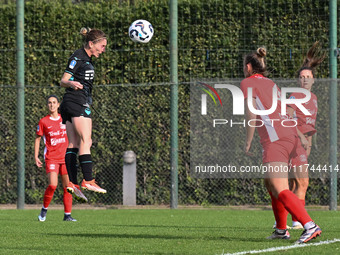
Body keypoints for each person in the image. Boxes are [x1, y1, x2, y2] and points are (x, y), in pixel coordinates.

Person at [241, 47, 321, 243]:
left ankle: (310, 226)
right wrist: (260, 56)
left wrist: (248, 141)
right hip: (289, 136)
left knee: (280, 187)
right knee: (270, 183)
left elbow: (252, 113)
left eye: (244, 66)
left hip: (275, 139)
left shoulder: (247, 82)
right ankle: (281, 229)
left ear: (248, 67)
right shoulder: (269, 82)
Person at [59, 27, 107, 202]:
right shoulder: (78, 56)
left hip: (70, 103)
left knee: (74, 143)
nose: (103, 50)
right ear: (91, 44)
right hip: (77, 101)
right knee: (87, 140)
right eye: (101, 46)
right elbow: (64, 79)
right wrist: (72, 84)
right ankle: (88, 180)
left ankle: (72, 183)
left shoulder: (85, 58)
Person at [286, 42, 325, 229]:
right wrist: (301, 136)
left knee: (295, 184)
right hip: (294, 142)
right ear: (298, 81)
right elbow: (287, 118)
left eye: (308, 77)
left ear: (313, 80)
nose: (305, 80)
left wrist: (308, 140)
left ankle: (285, 223)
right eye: (302, 77)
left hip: (303, 143)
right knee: (303, 182)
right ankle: (297, 222)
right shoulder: (295, 95)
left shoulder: (314, 98)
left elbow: (309, 124)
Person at [35, 95, 76, 222]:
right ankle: (44, 209)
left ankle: (67, 215)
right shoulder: (43, 122)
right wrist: (35, 156)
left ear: (58, 105)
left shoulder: (65, 119)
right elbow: (37, 139)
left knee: (68, 187)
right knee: (53, 185)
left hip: (65, 159)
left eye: (54, 102)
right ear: (47, 105)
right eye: (49, 103)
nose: (51, 105)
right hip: (51, 158)